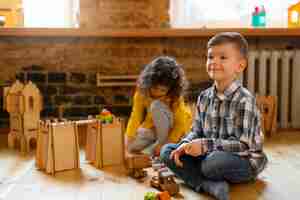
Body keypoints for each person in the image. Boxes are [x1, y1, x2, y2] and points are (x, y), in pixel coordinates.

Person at [160, 32, 268, 200]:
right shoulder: (204, 97)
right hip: (210, 153)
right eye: (210, 57)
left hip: (243, 161)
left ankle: (198, 175)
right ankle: (207, 184)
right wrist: (185, 144)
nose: (214, 62)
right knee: (168, 151)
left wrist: (204, 146)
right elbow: (197, 130)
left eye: (223, 57)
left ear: (240, 66)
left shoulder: (244, 100)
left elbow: (243, 146)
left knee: (212, 163)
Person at [125, 56, 192, 156]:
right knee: (130, 147)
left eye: (163, 90)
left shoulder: (175, 96)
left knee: (156, 105)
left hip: (175, 130)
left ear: (171, 89)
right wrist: (129, 136)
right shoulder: (142, 92)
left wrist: (166, 143)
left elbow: (180, 124)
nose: (157, 93)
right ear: (149, 82)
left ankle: (162, 145)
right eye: (155, 88)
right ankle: (155, 146)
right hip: (154, 129)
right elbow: (136, 115)